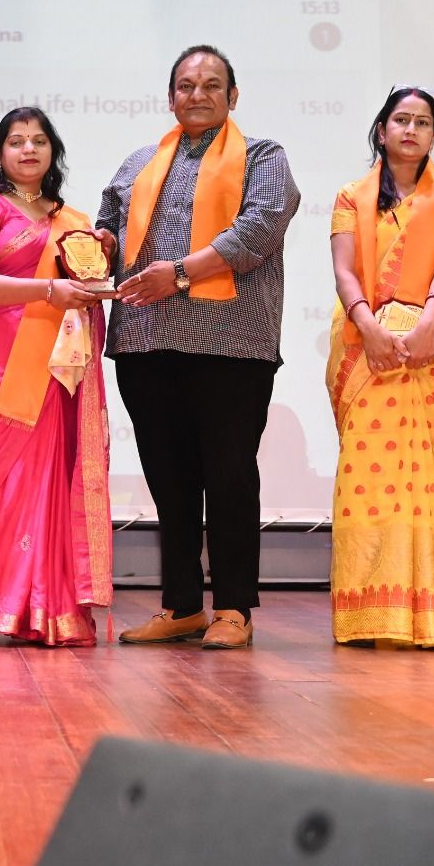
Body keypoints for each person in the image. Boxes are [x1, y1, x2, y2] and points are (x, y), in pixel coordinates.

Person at [98, 44, 300, 649]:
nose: (198, 94)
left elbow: (260, 228)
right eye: (186, 85)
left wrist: (180, 275)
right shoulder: (139, 162)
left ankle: (233, 607)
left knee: (229, 475)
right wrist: (95, 244)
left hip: (231, 344)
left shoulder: (263, 156)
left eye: (213, 85)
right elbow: (108, 227)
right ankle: (181, 605)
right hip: (144, 341)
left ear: (233, 96)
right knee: (168, 479)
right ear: (170, 97)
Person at [325, 86, 434, 648]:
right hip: (365, 349)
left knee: (432, 481)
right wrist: (370, 328)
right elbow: (345, 271)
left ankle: (428, 615)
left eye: (423, 122)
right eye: (401, 119)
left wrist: (427, 326)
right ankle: (368, 612)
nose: (411, 130)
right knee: (366, 480)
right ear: (382, 130)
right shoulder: (352, 197)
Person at [0, 107, 112, 646]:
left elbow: (83, 283)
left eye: (39, 141)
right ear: (0, 152)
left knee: (45, 483)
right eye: (16, 141)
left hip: (52, 364)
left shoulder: (70, 218)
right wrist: (47, 290)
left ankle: (42, 610)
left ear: (52, 151)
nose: (28, 150)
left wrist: (96, 267)